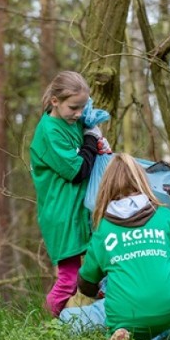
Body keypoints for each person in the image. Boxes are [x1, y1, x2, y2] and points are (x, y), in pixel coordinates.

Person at [77, 153, 170, 340]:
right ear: (142, 181)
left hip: (123, 315)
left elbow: (85, 283)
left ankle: (125, 335)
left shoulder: (103, 229)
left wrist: (101, 290)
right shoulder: (164, 216)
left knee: (113, 292)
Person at [30, 71, 111, 317]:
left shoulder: (73, 122)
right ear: (55, 101)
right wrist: (90, 138)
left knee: (103, 268)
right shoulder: (50, 131)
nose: (79, 114)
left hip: (82, 210)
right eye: (73, 108)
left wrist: (98, 144)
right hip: (63, 214)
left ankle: (90, 320)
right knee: (68, 280)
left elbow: (89, 155)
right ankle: (47, 328)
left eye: (83, 107)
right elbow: (77, 171)